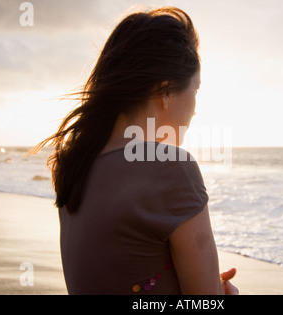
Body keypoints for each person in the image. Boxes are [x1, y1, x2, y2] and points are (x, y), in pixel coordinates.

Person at [33, 6, 238, 295]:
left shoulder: (74, 166)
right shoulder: (173, 168)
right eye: (196, 90)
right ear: (165, 91)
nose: (196, 110)